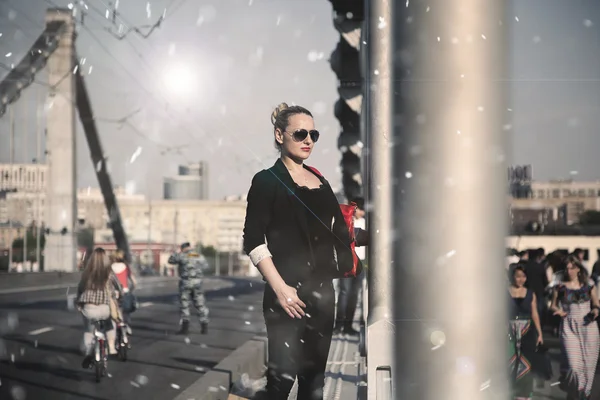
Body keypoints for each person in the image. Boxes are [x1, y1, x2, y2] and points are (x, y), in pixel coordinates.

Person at [243, 103, 360, 400]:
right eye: (300, 133)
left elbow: (339, 236)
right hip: (286, 297)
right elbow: (253, 241)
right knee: (280, 383)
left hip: (323, 296)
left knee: (314, 385)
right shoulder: (266, 181)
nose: (308, 140)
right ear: (280, 135)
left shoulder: (321, 181)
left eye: (313, 134)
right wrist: (281, 290)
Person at [551, 255, 600, 400]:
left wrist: (595, 311)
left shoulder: (589, 285)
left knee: (589, 365)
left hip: (588, 325)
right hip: (569, 324)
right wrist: (557, 310)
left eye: (572, 267)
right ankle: (574, 389)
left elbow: (596, 304)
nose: (569, 270)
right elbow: (552, 304)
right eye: (566, 268)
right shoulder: (559, 286)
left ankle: (584, 394)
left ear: (578, 268)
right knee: (574, 366)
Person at [76, 247, 123, 369]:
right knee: (109, 323)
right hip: (104, 308)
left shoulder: (86, 273)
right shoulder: (109, 273)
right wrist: (119, 296)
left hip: (88, 308)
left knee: (88, 330)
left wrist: (79, 303)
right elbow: (118, 287)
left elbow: (80, 289)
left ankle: (88, 353)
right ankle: (112, 347)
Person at [508, 265, 549, 400]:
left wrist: (540, 333)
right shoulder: (505, 292)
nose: (520, 279)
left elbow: (534, 313)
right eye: (518, 276)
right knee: (510, 362)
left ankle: (524, 394)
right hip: (509, 332)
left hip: (527, 332)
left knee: (526, 364)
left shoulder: (531, 293)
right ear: (512, 276)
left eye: (523, 277)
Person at [334, 197, 367, 335]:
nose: (361, 212)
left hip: (362, 262)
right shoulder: (346, 221)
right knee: (344, 292)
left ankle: (348, 325)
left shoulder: (366, 223)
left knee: (354, 294)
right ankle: (339, 325)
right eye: (359, 209)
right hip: (347, 261)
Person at [168, 242, 209, 335]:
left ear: (183, 248)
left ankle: (185, 328)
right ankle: (204, 327)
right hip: (197, 283)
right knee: (200, 304)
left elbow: (170, 260)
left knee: (184, 304)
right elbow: (206, 266)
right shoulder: (198, 255)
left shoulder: (181, 255)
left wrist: (178, 252)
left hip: (185, 283)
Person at [110, 249, 137, 335]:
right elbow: (134, 282)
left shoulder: (109, 267)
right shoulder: (126, 267)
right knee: (125, 311)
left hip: (113, 293)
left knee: (112, 312)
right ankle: (127, 326)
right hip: (124, 292)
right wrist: (130, 290)